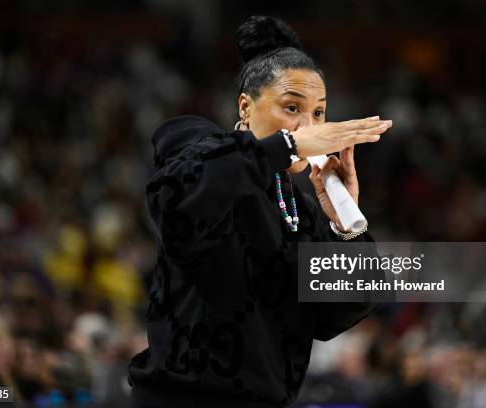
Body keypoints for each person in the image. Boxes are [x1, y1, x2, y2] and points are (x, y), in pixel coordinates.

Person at [128, 15, 392, 408]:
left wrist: (344, 225)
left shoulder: (300, 208)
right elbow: (180, 202)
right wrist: (287, 145)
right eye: (291, 108)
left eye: (319, 113)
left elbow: (336, 314)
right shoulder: (194, 142)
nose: (309, 126)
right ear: (245, 107)